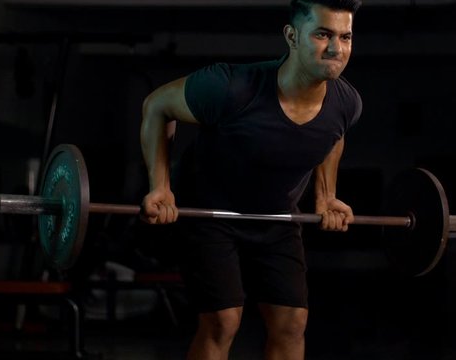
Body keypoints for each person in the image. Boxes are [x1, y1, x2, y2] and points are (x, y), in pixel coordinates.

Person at [139, 0, 362, 358]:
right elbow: (157, 105)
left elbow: (333, 135)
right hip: (210, 214)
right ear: (292, 36)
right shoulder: (231, 87)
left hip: (275, 218)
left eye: (346, 36)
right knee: (223, 322)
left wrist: (326, 196)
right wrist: (160, 187)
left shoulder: (346, 103)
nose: (337, 48)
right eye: (323, 34)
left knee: (291, 325)